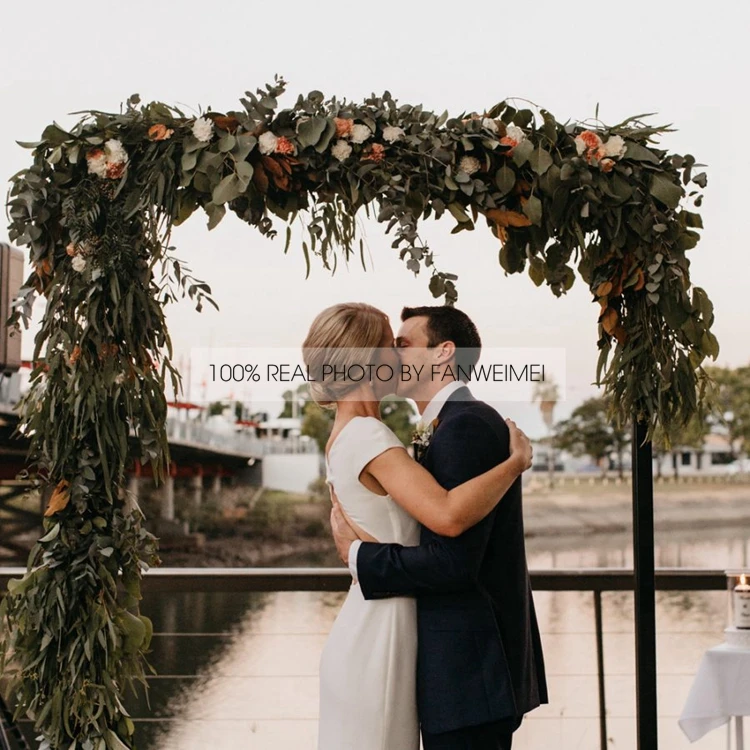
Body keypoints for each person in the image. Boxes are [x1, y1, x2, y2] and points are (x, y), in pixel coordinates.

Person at [302, 302, 542, 750]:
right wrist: (515, 463)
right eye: (389, 344)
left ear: (443, 352)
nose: (395, 353)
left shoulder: (460, 425)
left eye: (402, 343)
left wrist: (360, 556)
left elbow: (453, 553)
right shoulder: (370, 434)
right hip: (391, 641)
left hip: (463, 670)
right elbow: (446, 518)